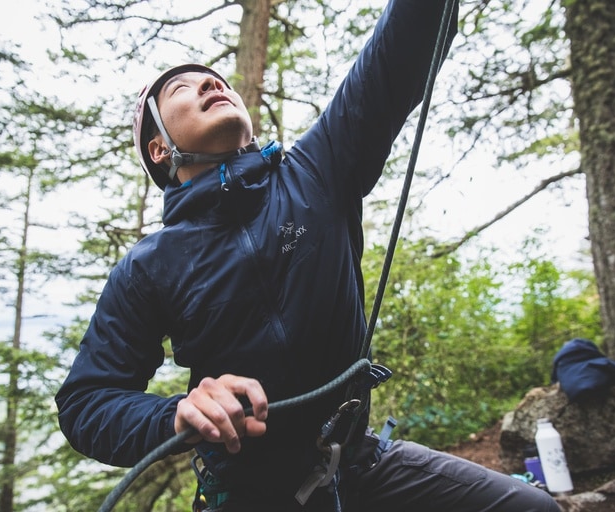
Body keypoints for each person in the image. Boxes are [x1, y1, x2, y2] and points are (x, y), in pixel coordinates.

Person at [56, 1, 561, 510]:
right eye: (181, 89)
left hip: (360, 463)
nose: (213, 85)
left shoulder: (315, 171)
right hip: (251, 495)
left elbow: (397, 53)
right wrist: (177, 415)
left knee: (532, 508)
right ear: (160, 150)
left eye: (217, 81)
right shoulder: (149, 265)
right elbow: (86, 404)